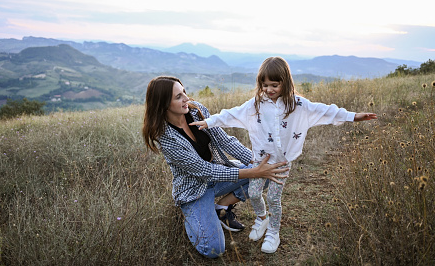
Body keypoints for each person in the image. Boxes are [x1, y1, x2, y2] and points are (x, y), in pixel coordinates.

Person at [190, 57, 377, 253]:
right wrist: (209, 122)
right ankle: (262, 219)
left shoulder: (297, 104)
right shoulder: (256, 104)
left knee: (273, 199)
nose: (269, 89)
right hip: (259, 160)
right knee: (253, 194)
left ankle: (273, 232)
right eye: (265, 85)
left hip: (281, 163)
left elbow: (324, 111)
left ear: (285, 82)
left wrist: (353, 116)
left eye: (274, 85)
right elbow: (232, 114)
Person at [142, 76, 289, 259]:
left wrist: (256, 162)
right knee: (214, 249)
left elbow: (225, 141)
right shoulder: (165, 136)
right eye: (178, 97)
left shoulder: (197, 111)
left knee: (267, 172)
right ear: (163, 104)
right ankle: (194, 216)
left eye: (184, 92)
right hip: (194, 190)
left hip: (217, 176)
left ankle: (222, 208)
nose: (187, 99)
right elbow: (204, 170)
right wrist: (253, 171)